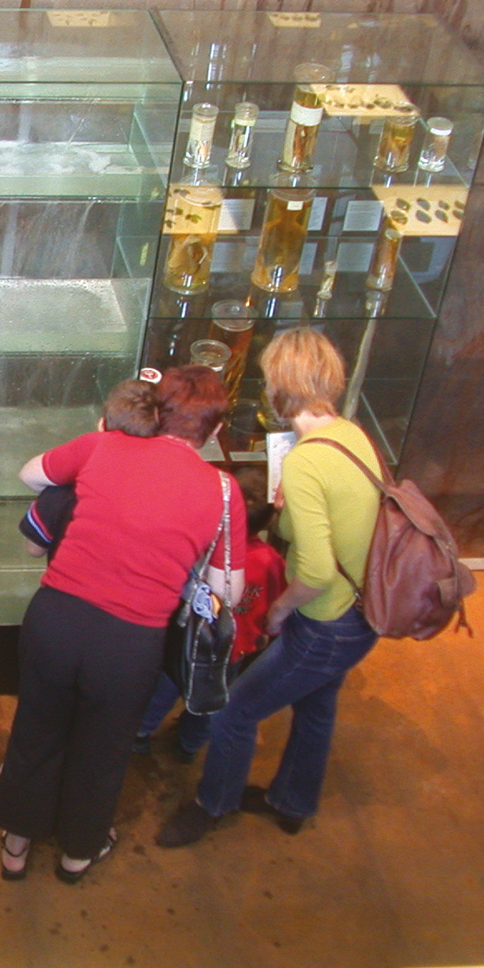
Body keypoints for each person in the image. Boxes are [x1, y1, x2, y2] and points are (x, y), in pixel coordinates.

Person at [0, 366, 244, 884]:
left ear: (159, 410)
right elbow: (228, 591)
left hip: (56, 619)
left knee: (37, 729)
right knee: (103, 747)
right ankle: (77, 854)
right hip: (129, 641)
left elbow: (32, 474)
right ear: (215, 430)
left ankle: (16, 846)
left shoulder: (101, 446)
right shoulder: (223, 491)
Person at [157, 328, 382, 846]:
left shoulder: (304, 461)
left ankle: (214, 804)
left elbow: (317, 571)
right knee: (317, 707)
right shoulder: (351, 435)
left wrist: (279, 612)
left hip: (326, 620)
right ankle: (293, 802)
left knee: (234, 711)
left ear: (280, 386)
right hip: (361, 611)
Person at [134, 465, 287, 758]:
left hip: (182, 639)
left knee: (163, 689)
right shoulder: (270, 561)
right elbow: (274, 604)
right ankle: (189, 746)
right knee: (209, 702)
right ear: (269, 520)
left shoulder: (198, 544)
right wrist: (265, 633)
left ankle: (140, 733)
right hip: (230, 650)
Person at [19, 377, 161, 560]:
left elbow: (34, 550)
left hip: (70, 576)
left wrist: (46, 500)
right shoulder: (166, 490)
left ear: (101, 426)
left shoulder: (65, 491)